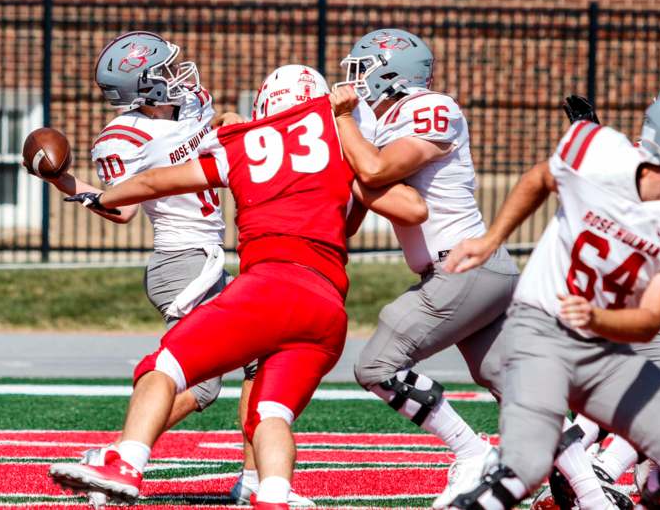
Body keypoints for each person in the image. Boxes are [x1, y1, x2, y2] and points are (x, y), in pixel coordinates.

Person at [47, 64, 428, 510]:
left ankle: (124, 462)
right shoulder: (344, 152)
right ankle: (272, 492)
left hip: (267, 287)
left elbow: (152, 181)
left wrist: (98, 195)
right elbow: (412, 209)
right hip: (327, 312)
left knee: (166, 365)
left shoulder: (245, 143)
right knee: (272, 413)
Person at [27, 30, 294, 508]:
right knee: (204, 383)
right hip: (181, 262)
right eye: (165, 70)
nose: (179, 74)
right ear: (142, 87)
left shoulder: (192, 102)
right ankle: (113, 456)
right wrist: (66, 182)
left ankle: (253, 480)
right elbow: (124, 208)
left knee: (262, 356)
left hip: (210, 257)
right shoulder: (122, 137)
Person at [443, 90, 660, 510]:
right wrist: (491, 239)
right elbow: (539, 178)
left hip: (603, 344)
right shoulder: (600, 152)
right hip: (541, 329)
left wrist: (597, 318)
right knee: (525, 465)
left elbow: (650, 319)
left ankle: (624, 486)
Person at [329, 28, 519, 508]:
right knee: (509, 381)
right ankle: (589, 485)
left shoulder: (428, 108)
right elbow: (353, 217)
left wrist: (346, 126)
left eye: (363, 69)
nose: (353, 82)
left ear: (391, 73)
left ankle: (472, 452)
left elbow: (372, 174)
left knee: (376, 365)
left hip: (462, 265)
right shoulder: (378, 122)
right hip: (468, 271)